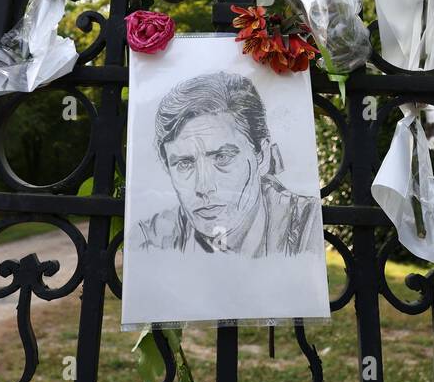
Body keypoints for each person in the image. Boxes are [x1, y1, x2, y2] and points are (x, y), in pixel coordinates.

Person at [136, 70, 320, 256]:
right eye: (184, 163)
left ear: (262, 156)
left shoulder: (307, 227)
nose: (204, 187)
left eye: (222, 157)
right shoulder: (153, 239)